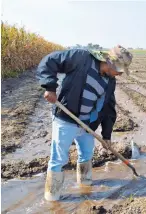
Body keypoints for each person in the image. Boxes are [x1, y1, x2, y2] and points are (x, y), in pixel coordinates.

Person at [36, 45, 133, 201]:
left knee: (86, 155)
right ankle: (52, 198)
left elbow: (108, 108)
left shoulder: (110, 81)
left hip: (87, 124)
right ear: (111, 63)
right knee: (58, 160)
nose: (120, 74)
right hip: (66, 120)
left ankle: (85, 186)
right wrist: (50, 87)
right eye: (120, 70)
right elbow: (49, 61)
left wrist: (106, 135)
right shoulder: (81, 58)